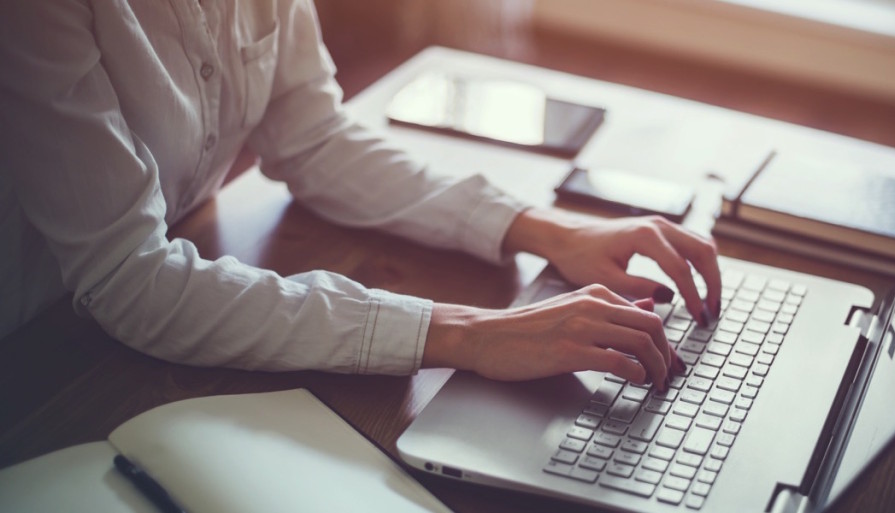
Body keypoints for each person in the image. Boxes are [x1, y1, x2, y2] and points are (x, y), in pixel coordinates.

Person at [0, 0, 720, 392]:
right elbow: (131, 279)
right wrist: (468, 333)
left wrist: (539, 228)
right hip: (35, 363)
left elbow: (312, 136)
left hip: (141, 329)